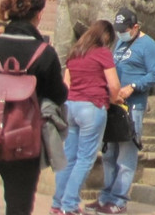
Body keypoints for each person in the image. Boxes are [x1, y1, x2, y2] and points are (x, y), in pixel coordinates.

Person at [0, 0, 68, 215]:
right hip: (23, 141)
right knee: (19, 206)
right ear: (38, 15)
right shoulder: (44, 53)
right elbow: (58, 95)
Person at [86, 8, 155, 215]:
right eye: (119, 30)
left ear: (135, 27)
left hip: (133, 107)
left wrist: (134, 86)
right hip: (114, 105)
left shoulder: (148, 45)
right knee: (109, 154)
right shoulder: (119, 42)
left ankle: (119, 199)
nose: (121, 34)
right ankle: (105, 197)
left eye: (125, 30)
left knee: (125, 156)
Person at [51, 20, 121, 215]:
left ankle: (57, 204)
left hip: (71, 105)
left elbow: (66, 83)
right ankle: (70, 205)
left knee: (69, 158)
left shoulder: (75, 53)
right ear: (106, 36)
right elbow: (114, 85)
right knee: (85, 159)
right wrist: (115, 100)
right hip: (92, 106)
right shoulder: (102, 53)